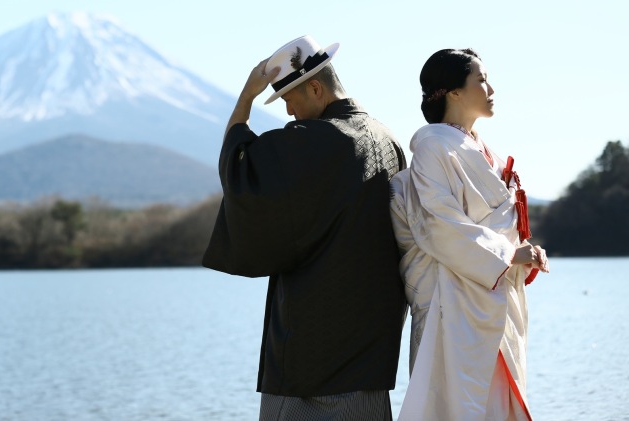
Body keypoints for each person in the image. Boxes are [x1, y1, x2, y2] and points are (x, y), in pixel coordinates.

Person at [202, 35, 407, 420]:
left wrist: (246, 96)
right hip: (370, 356)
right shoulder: (389, 140)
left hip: (308, 354)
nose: (289, 112)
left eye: (288, 100)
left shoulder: (315, 140)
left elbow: (240, 168)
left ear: (315, 87)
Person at [389, 48, 550, 421]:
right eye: (480, 79)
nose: (490, 88)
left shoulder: (482, 151)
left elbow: (495, 227)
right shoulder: (433, 146)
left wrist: (523, 250)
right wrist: (508, 254)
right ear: (453, 92)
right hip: (454, 298)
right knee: (456, 403)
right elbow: (438, 224)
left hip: (490, 290)